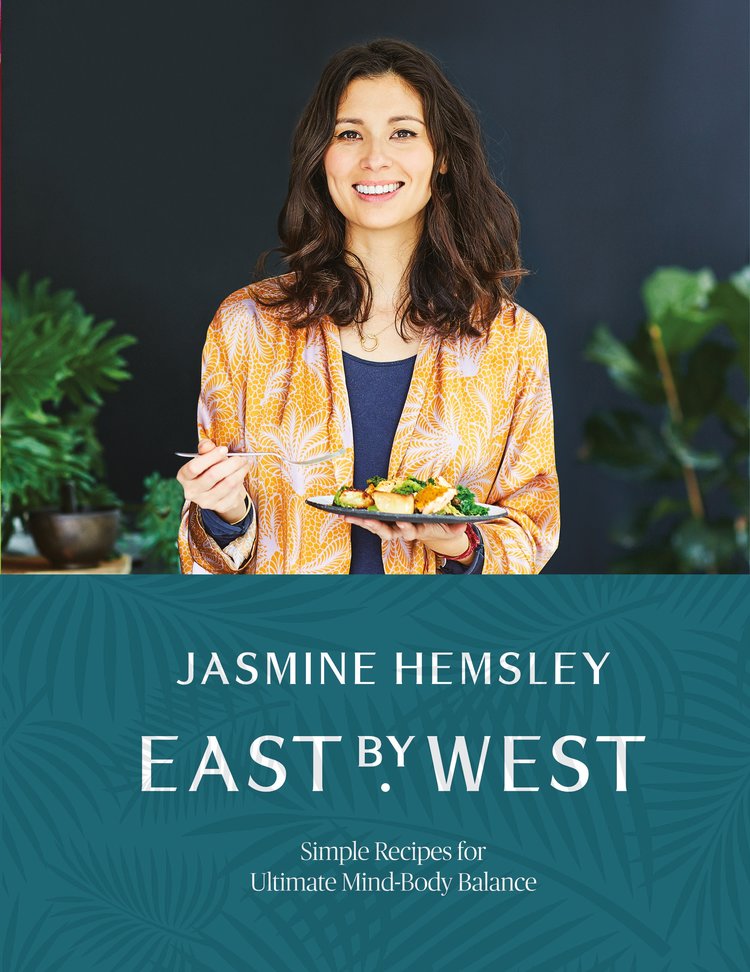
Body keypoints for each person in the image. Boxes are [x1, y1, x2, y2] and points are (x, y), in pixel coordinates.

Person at [177, 38, 559, 575]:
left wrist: (461, 546)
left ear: (442, 156)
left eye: (403, 132)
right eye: (349, 134)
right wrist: (224, 513)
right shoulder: (247, 327)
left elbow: (533, 528)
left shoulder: (509, 340)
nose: (374, 158)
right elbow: (207, 569)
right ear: (321, 156)